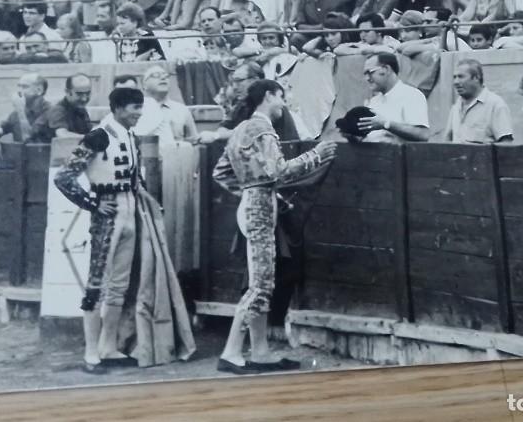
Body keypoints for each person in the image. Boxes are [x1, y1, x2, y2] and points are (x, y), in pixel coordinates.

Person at [54, 86, 196, 373]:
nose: (139, 113)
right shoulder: (98, 135)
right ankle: (91, 352)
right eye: (134, 108)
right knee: (96, 283)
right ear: (118, 109)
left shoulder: (130, 136)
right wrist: (92, 204)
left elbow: (134, 179)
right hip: (107, 213)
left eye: (140, 107)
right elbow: (64, 177)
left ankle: (108, 346)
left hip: (130, 210)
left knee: (118, 285)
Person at [212, 79, 337, 375]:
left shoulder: (240, 129)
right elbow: (278, 171)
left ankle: (260, 351)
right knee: (261, 284)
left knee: (260, 279)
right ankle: (231, 353)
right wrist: (316, 155)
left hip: (251, 203)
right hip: (262, 205)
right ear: (269, 96)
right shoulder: (264, 129)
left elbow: (220, 173)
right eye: (282, 97)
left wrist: (248, 189)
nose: (284, 104)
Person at [199, 62, 300, 144]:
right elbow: (225, 126)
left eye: (239, 81)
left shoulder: (269, 103)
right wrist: (221, 134)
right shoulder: (242, 105)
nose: (234, 87)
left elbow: (250, 132)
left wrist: (217, 136)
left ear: (255, 81)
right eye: (233, 82)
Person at [359, 53, 430, 143]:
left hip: (401, 155)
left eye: (370, 72)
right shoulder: (374, 101)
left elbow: (423, 135)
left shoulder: (411, 95)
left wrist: (386, 124)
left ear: (387, 69)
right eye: (365, 74)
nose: (367, 78)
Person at [0, 73, 52, 158]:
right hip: (21, 162)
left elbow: (28, 140)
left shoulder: (50, 111)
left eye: (24, 87)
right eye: (19, 87)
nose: (19, 91)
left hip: (43, 161)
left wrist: (20, 111)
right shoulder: (15, 114)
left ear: (39, 90)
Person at [444, 59, 513, 143]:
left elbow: (506, 144)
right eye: (454, 77)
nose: (456, 82)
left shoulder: (495, 105)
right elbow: (447, 140)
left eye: (461, 77)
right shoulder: (456, 106)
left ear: (476, 78)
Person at [134, 64, 199, 144]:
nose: (163, 78)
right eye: (156, 75)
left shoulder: (181, 109)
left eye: (166, 75)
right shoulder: (137, 109)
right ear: (144, 85)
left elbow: (193, 141)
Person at [35, 73, 93, 141]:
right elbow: (62, 135)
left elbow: (88, 131)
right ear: (67, 92)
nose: (84, 99)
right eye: (79, 94)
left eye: (88, 93)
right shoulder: (58, 110)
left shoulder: (80, 109)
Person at [333, 13, 398, 56]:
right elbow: (337, 50)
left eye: (367, 31)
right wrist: (361, 51)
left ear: (379, 31)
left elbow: (391, 51)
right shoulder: (362, 45)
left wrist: (370, 50)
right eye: (360, 31)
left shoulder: (392, 42)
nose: (362, 35)